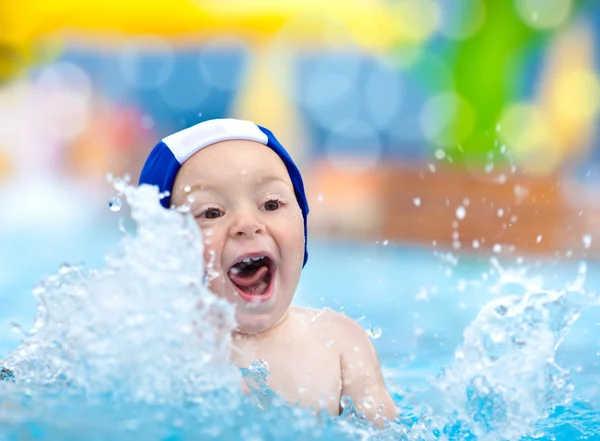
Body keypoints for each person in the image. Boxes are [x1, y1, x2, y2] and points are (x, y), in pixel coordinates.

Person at [139, 118, 396, 423]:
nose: (248, 224)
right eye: (211, 212)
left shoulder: (339, 342)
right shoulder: (163, 354)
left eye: (271, 204)